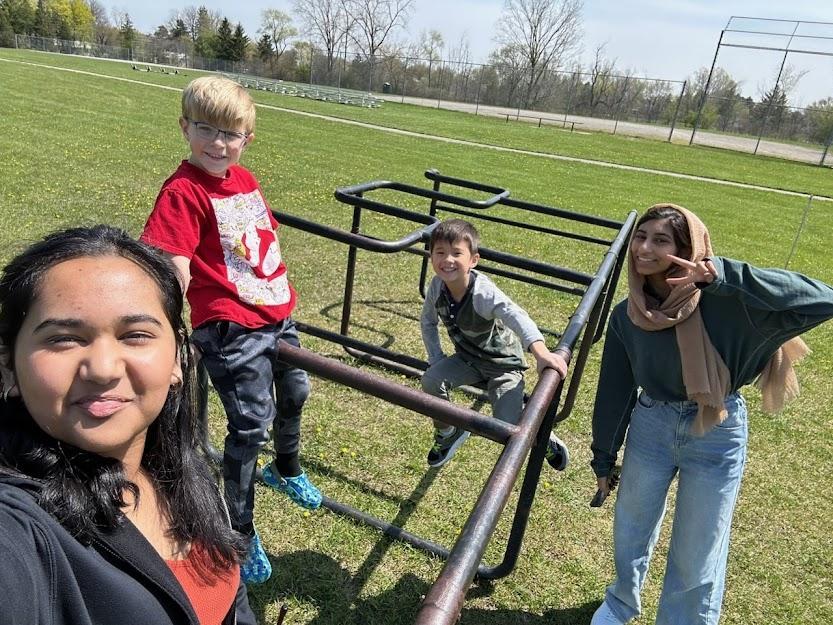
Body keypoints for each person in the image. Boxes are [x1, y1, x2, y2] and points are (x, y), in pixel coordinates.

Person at [589, 203, 833, 625]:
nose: (644, 248)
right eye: (640, 237)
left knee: (698, 547)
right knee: (631, 527)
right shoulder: (628, 316)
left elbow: (823, 299)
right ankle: (621, 602)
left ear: (690, 251)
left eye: (661, 240)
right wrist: (604, 457)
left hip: (717, 431)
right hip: (651, 423)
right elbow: (615, 388)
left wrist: (725, 275)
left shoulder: (731, 304)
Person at [0, 225, 256, 625]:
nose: (103, 369)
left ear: (178, 359)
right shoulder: (17, 527)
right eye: (64, 338)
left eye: (135, 335)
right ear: (8, 366)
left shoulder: (180, 469)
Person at [141, 75, 321, 584]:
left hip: (275, 311)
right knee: (250, 425)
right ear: (185, 127)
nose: (218, 143)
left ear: (247, 138)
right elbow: (173, 261)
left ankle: (285, 468)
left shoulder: (244, 180)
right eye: (206, 129)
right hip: (230, 326)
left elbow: (259, 241)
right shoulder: (182, 192)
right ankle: (239, 529)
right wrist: (167, 324)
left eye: (230, 134)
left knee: (297, 390)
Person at [420, 218, 570, 468]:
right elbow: (428, 322)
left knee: (505, 426)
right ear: (431, 256)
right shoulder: (437, 287)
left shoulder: (482, 293)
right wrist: (436, 358)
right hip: (468, 358)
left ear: (473, 260)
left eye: (457, 253)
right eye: (440, 252)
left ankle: (543, 436)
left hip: (502, 364)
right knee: (431, 381)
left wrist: (541, 352)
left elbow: (516, 315)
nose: (448, 260)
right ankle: (449, 431)